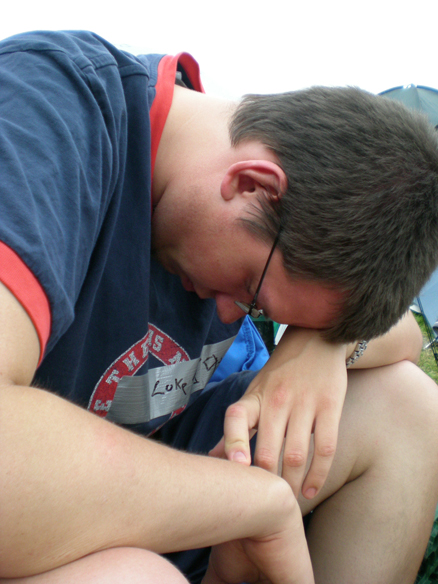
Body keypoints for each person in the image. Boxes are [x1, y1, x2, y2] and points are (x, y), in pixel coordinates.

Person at [1, 29, 438, 584]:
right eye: (251, 290)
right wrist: (250, 502)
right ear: (251, 184)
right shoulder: (49, 109)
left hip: (127, 490)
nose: (232, 315)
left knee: (404, 406)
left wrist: (317, 349)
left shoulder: (227, 223)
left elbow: (403, 335)